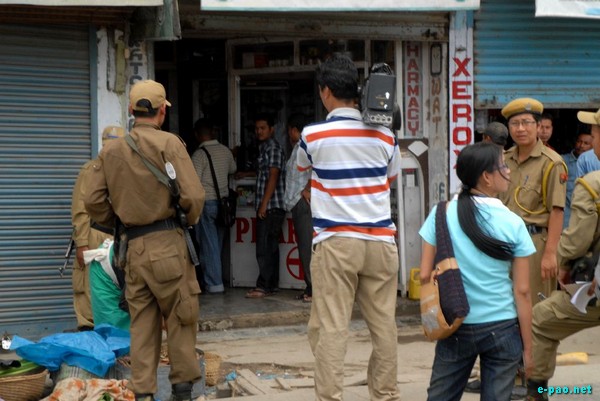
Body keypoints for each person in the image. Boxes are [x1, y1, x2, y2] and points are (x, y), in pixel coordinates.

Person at [84, 79, 205, 401]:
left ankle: (143, 392)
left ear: (131, 110)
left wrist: (119, 221)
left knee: (141, 325)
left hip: (132, 250)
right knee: (180, 317)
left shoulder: (111, 150)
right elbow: (194, 196)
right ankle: (182, 391)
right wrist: (187, 219)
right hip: (168, 244)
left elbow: (93, 201)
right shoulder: (170, 143)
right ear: (162, 111)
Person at [297, 54, 402, 401]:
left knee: (331, 327)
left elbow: (301, 170)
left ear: (326, 91)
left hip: (337, 243)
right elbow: (389, 178)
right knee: (384, 325)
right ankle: (385, 395)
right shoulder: (386, 137)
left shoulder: (312, 135)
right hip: (381, 243)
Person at [420, 142, 535, 401]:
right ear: (487, 177)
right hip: (503, 327)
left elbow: (425, 273)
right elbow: (523, 291)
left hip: (456, 325)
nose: (508, 170)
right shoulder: (513, 222)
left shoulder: (441, 214)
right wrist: (528, 349)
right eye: (503, 166)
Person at [526, 108, 600, 401]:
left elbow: (577, 240)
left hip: (595, 290)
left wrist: (562, 264)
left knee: (541, 320)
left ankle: (537, 393)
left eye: (593, 133)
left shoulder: (592, 185)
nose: (591, 140)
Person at [499, 97, 567, 306]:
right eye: (514, 123)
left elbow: (557, 211)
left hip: (535, 244)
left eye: (526, 123)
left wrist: (550, 254)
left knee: (535, 308)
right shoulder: (503, 160)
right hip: (504, 243)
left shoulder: (552, 163)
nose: (520, 129)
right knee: (505, 305)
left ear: (538, 126)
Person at [70, 125, 125, 331]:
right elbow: (80, 210)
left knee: (117, 290)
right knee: (88, 290)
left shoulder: (127, 171)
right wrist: (81, 243)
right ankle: (89, 332)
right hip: (95, 236)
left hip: (120, 239)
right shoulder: (91, 170)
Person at [191, 119, 237, 294]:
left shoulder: (199, 155)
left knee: (209, 246)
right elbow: (233, 169)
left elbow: (193, 181)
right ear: (212, 132)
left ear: (197, 135)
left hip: (207, 204)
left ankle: (215, 283)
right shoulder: (225, 151)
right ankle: (215, 279)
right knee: (217, 244)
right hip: (223, 205)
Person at [243, 113, 286, 298]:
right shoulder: (265, 148)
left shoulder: (273, 148)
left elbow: (273, 176)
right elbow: (264, 173)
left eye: (263, 128)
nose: (259, 131)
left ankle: (263, 286)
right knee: (271, 247)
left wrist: (264, 204)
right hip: (270, 206)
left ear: (271, 130)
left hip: (271, 207)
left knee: (264, 248)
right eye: (257, 128)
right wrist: (245, 174)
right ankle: (271, 285)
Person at [283, 113, 313, 303]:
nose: (288, 135)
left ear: (294, 130)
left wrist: (307, 190)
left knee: (306, 247)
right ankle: (309, 287)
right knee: (304, 246)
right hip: (296, 202)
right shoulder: (298, 147)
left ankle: (313, 289)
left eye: (289, 131)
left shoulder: (305, 146)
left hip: (302, 203)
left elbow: (317, 168)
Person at [560, 132, 593, 228]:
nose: (581, 145)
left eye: (586, 143)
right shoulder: (562, 160)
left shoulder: (595, 163)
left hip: (586, 215)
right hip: (565, 215)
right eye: (579, 141)